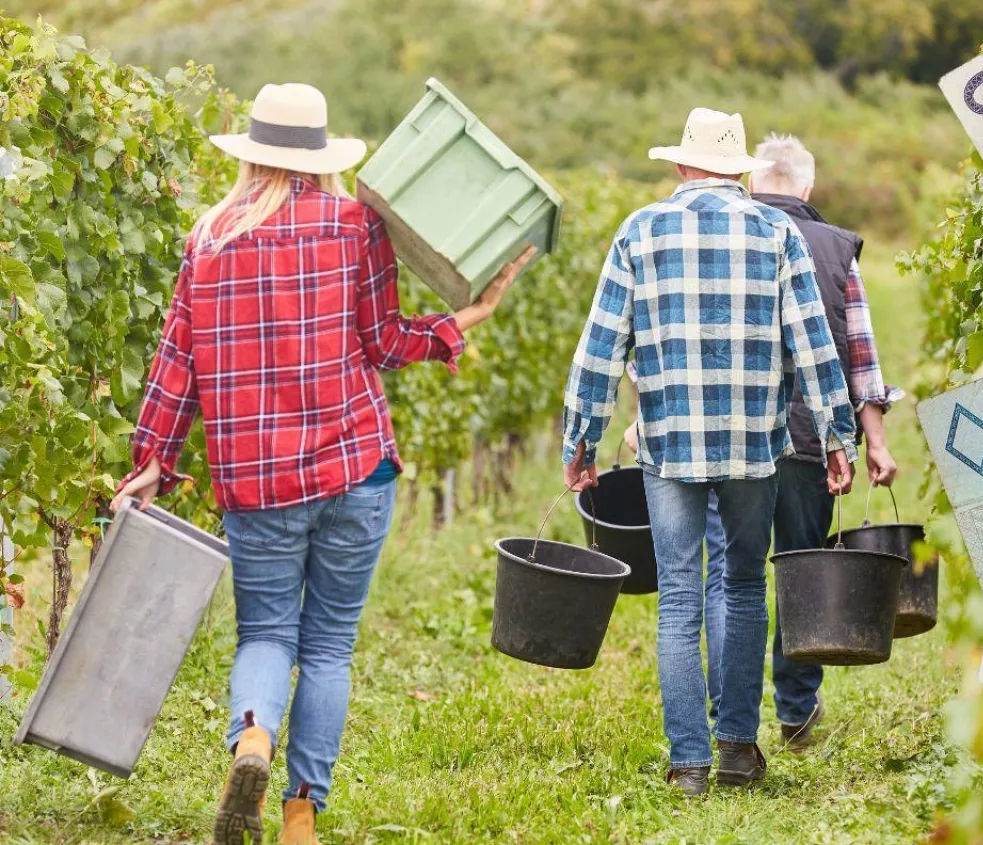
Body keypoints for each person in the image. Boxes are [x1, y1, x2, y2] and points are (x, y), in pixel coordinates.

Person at [111, 83, 533, 845]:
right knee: (330, 643)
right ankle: (301, 815)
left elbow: (179, 362)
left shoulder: (208, 239)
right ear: (320, 156)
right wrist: (459, 324)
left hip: (258, 480)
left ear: (252, 155)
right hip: (353, 468)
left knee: (266, 634)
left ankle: (252, 740)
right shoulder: (353, 224)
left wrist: (152, 461)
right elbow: (381, 340)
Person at [562, 108, 859, 797]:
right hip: (756, 444)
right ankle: (736, 748)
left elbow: (601, 347)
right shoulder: (776, 230)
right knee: (745, 585)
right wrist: (838, 435)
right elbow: (813, 344)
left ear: (681, 165)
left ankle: (688, 761)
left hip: (669, 442)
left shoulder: (641, 230)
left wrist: (581, 439)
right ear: (738, 171)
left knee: (678, 600)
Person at [704, 134, 904, 748]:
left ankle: (728, 717)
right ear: (807, 188)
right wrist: (873, 440)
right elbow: (860, 357)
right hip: (808, 436)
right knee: (801, 566)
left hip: (730, 434)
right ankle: (796, 712)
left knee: (730, 575)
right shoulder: (836, 247)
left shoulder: (718, 236)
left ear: (751, 180)